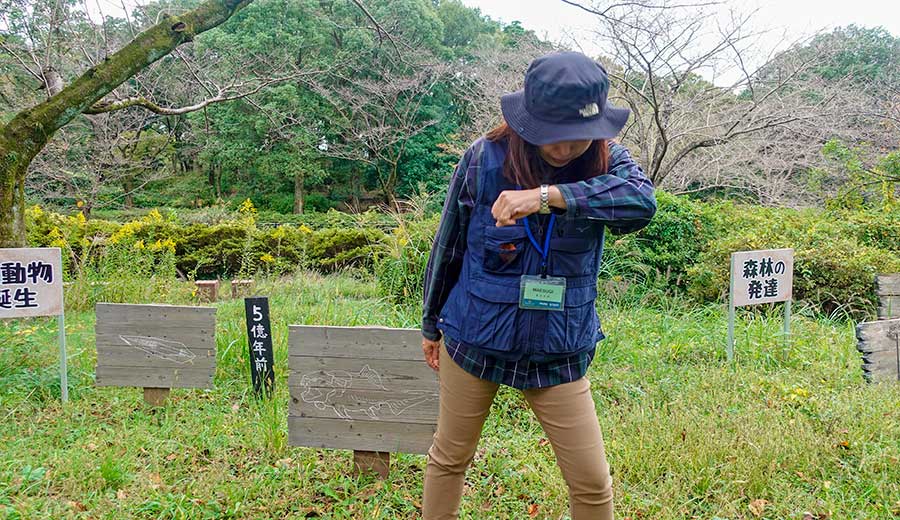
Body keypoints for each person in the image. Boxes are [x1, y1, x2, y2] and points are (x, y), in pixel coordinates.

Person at [419, 51, 657, 520]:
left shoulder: (608, 165)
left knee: (592, 481)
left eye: (578, 137)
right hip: (475, 336)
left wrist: (550, 197)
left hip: (559, 346)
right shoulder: (482, 159)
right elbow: (449, 246)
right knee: (449, 458)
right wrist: (431, 326)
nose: (566, 149)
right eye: (554, 136)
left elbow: (641, 204)